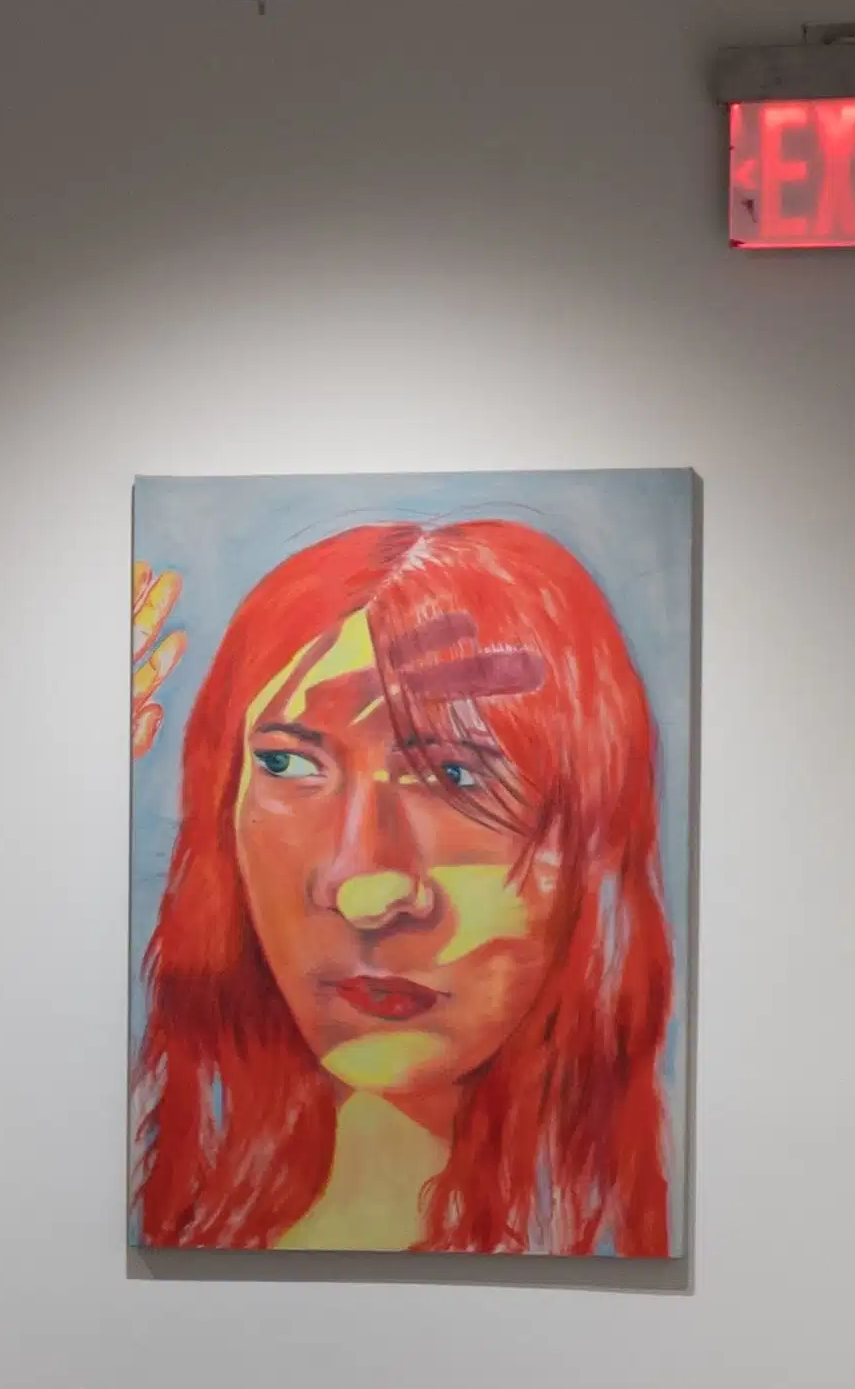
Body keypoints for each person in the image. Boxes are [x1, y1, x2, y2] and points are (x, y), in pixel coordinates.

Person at [133, 518, 675, 1255]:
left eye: (457, 776)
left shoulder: (630, 1227)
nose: (366, 891)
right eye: (290, 766)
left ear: (592, 830)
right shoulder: (168, 1188)